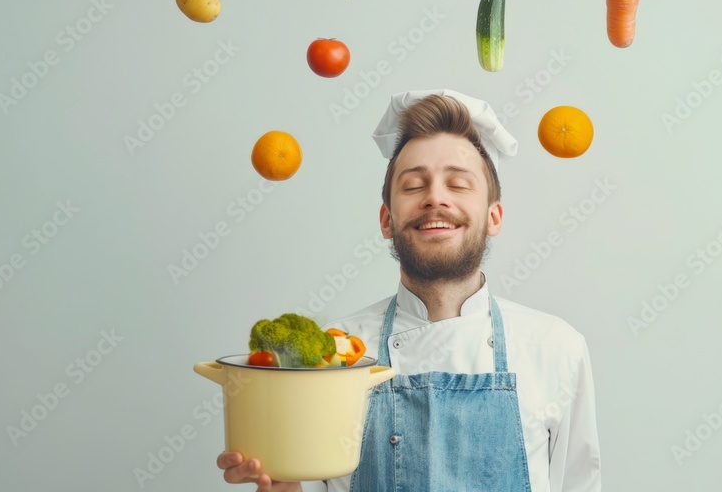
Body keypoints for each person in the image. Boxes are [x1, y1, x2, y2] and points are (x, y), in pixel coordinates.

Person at [217, 90, 601, 491]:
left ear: (493, 217)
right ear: (387, 219)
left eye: (458, 183)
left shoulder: (557, 349)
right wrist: (280, 484)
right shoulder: (336, 353)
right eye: (414, 185)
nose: (435, 197)